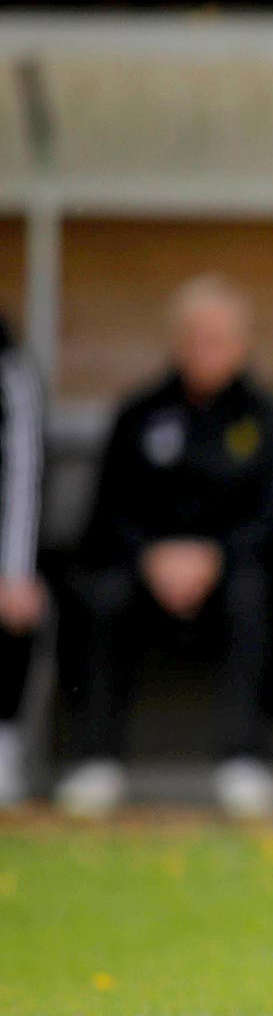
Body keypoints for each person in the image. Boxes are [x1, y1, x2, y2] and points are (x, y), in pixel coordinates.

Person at [58, 275, 273, 819]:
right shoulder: (140, 413)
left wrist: (215, 556)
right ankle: (94, 761)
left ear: (243, 344)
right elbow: (109, 509)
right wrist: (153, 556)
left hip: (232, 573)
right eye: (195, 337)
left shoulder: (268, 419)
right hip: (145, 571)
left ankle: (244, 761)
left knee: (254, 595)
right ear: (175, 341)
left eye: (219, 338)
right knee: (102, 596)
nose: (206, 351)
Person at [0, 315, 45, 808]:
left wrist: (14, 571)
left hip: (3, 551)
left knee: (18, 599)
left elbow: (23, 472)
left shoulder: (8, 363)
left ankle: (3, 744)